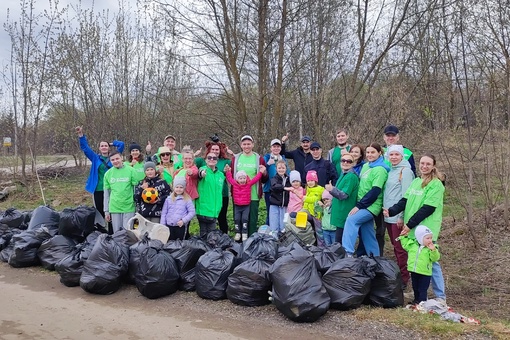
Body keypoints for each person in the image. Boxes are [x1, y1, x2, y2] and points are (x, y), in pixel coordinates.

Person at [383, 154, 446, 303]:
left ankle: (440, 296)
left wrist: (409, 224)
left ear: (433, 166)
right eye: (422, 163)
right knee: (416, 259)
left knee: (431, 261)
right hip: (413, 228)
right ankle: (418, 295)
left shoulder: (436, 185)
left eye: (428, 164)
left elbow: (427, 209)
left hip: (426, 229)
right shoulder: (416, 181)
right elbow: (405, 200)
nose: (424, 166)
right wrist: (392, 210)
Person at [342, 143, 389, 257]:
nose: (370, 155)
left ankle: (347, 253)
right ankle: (375, 258)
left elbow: (375, 191)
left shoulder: (380, 169)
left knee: (351, 220)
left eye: (373, 152)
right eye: (368, 152)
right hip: (362, 204)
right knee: (368, 232)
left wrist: (359, 206)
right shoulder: (366, 166)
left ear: (379, 153)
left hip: (371, 206)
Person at [383, 145, 415, 289]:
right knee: (396, 247)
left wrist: (401, 216)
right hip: (388, 216)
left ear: (402, 156)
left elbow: (406, 196)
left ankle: (404, 278)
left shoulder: (405, 171)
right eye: (391, 155)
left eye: (397, 154)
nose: (394, 157)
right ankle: (401, 276)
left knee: (401, 248)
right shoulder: (391, 171)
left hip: (398, 217)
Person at [75, 126, 125, 218]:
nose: (104, 147)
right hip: (98, 188)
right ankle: (101, 229)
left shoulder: (114, 157)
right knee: (100, 212)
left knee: (112, 211)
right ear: (99, 148)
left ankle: (112, 230)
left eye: (106, 146)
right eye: (102, 146)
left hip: (112, 188)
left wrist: (111, 143)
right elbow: (85, 148)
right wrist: (81, 135)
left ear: (109, 148)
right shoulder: (95, 158)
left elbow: (121, 144)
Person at [230, 135, 268, 236]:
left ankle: (251, 242)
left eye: (249, 144)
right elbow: (231, 176)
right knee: (238, 219)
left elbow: (264, 179)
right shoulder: (235, 159)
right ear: (241, 145)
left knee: (251, 221)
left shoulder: (259, 159)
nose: (246, 146)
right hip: (239, 196)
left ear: (253, 145)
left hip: (253, 195)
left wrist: (264, 173)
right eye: (244, 144)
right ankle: (239, 243)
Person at [195, 140, 232, 234]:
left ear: (217, 160)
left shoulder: (220, 174)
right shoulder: (203, 169)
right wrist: (201, 174)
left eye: (214, 158)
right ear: (206, 159)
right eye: (209, 158)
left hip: (215, 209)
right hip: (204, 208)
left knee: (212, 233)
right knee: (204, 232)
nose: (212, 159)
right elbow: (200, 173)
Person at [400, 225, 440, 304]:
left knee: (423, 289)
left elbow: (435, 258)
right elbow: (405, 245)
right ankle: (416, 300)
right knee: (415, 287)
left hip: (425, 273)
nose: (430, 240)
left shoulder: (432, 248)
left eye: (431, 238)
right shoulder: (412, 245)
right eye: (427, 238)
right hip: (414, 271)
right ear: (420, 238)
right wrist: (403, 237)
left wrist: (433, 251)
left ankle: (422, 303)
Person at [325, 153, 360, 243]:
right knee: (338, 240)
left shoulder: (351, 177)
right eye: (343, 160)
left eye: (349, 161)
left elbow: (343, 195)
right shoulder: (343, 174)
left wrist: (331, 189)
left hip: (344, 213)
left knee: (341, 242)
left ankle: (343, 256)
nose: (345, 162)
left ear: (353, 163)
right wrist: (331, 202)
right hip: (339, 213)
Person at [224, 164, 264, 241]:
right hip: (237, 206)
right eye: (240, 178)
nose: (242, 180)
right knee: (237, 219)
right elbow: (229, 178)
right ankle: (238, 232)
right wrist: (228, 171)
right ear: (237, 179)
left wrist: (261, 172)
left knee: (245, 219)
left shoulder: (248, 184)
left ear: (246, 178)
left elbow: (256, 179)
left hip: (246, 206)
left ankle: (244, 233)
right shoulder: (234, 184)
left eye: (244, 178)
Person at [103, 150, 138, 232]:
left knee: (129, 232)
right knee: (117, 234)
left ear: (121, 158)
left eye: (117, 159)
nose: (115, 161)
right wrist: (106, 211)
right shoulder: (108, 174)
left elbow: (136, 190)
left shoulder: (131, 171)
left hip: (129, 207)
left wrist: (137, 207)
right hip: (115, 207)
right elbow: (106, 194)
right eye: (112, 160)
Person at [263, 138, 289, 223]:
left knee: (282, 213)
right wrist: (267, 165)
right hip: (269, 190)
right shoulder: (266, 157)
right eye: (274, 146)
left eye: (278, 146)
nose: (276, 148)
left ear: (280, 148)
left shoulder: (283, 158)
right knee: (270, 213)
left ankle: (281, 232)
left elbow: (287, 173)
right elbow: (261, 172)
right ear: (271, 148)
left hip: (282, 190)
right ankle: (269, 232)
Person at [269, 160, 291, 235]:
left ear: (286, 169)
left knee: (283, 226)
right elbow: (274, 186)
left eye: (283, 168)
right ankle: (273, 241)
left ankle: (283, 243)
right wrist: (284, 188)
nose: (281, 170)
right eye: (279, 168)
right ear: (276, 169)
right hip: (274, 205)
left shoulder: (289, 179)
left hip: (284, 206)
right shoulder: (274, 179)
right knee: (274, 225)